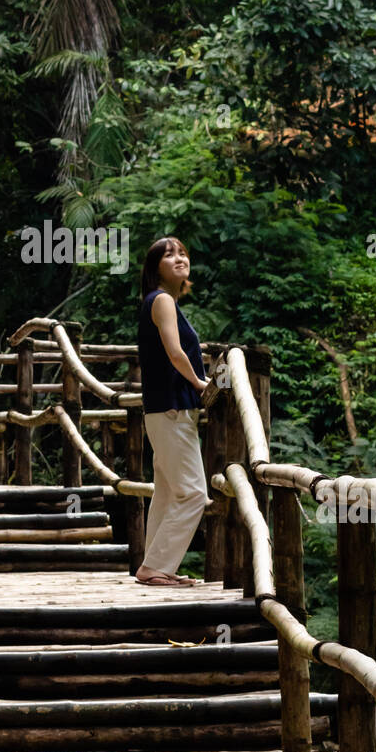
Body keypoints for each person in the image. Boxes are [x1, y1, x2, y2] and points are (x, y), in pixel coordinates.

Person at [134, 235, 213, 586]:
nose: (180, 258)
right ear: (155, 269)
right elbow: (174, 351)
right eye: (169, 255)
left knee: (167, 491)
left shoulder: (160, 300)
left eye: (183, 252)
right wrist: (200, 383)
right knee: (194, 492)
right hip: (171, 409)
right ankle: (155, 567)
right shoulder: (162, 300)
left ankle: (155, 565)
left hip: (161, 410)